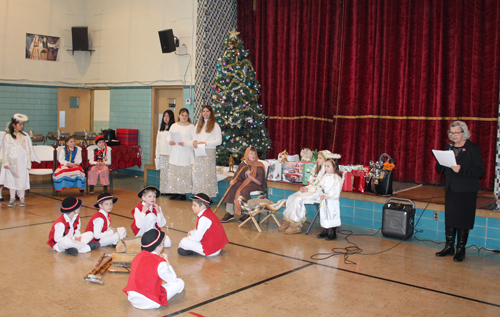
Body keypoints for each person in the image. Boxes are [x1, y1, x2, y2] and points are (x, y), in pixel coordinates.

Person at [435, 121, 485, 262]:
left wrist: (461, 169)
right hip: (451, 188)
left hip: (466, 190)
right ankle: (449, 247)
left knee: (463, 219)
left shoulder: (473, 149)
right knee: (450, 218)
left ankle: (460, 250)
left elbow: (480, 171)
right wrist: (441, 160)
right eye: (452, 133)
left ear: (464, 133)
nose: (454, 135)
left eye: (457, 132)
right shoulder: (449, 147)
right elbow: (440, 168)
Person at [123, 229, 186, 309]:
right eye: (162, 244)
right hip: (149, 302)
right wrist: (167, 262)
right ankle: (166, 298)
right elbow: (172, 279)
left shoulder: (137, 256)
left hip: (132, 298)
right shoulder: (160, 262)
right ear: (158, 247)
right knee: (180, 282)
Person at [278, 150, 333, 233]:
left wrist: (309, 189)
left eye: (320, 158)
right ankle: (288, 221)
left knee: (298, 199)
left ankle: (296, 225)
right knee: (291, 197)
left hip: (319, 194)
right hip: (312, 190)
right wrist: (306, 188)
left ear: (326, 159)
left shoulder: (328, 171)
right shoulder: (316, 168)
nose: (318, 159)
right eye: (318, 157)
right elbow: (312, 182)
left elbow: (322, 187)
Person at [1, 114, 40, 207]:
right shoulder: (7, 136)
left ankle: (22, 198)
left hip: (22, 162)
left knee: (22, 179)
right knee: (11, 180)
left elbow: (28, 150)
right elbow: (4, 150)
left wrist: (28, 162)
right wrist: (5, 162)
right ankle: (12, 198)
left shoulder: (25, 136)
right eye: (20, 124)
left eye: (22, 124)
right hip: (11, 162)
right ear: (14, 125)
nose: (22, 126)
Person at [220, 146, 266, 223]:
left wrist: (250, 177)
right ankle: (230, 213)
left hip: (255, 184)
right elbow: (237, 176)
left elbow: (260, 182)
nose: (253, 156)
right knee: (230, 188)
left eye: (255, 154)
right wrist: (233, 181)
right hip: (243, 183)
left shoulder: (259, 165)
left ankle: (247, 212)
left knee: (245, 190)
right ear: (247, 154)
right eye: (251, 153)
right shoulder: (243, 164)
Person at [192, 105, 222, 198]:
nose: (205, 113)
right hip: (199, 152)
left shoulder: (215, 125)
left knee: (207, 174)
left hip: (209, 152)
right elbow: (195, 136)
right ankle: (199, 195)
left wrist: (206, 143)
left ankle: (207, 196)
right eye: (203, 111)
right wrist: (194, 141)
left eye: (207, 111)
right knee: (199, 174)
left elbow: (219, 141)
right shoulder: (198, 124)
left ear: (211, 113)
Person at [166, 108, 194, 200]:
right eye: (182, 115)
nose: (184, 117)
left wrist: (185, 143)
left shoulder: (191, 127)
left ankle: (183, 193)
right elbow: (168, 137)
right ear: (179, 116)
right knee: (175, 173)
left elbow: (194, 141)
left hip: (185, 153)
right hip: (175, 153)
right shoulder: (174, 126)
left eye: (186, 115)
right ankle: (175, 191)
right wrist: (170, 141)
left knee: (183, 174)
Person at [156, 110, 175, 195]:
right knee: (163, 173)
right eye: (164, 116)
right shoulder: (160, 129)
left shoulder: (173, 128)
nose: (166, 118)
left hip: (171, 154)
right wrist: (157, 155)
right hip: (162, 153)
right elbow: (158, 142)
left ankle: (170, 190)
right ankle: (162, 190)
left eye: (168, 116)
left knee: (170, 173)